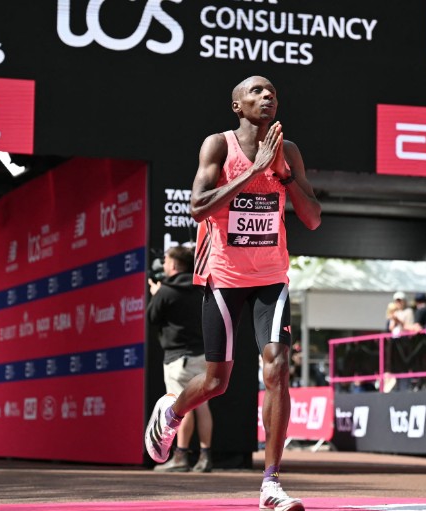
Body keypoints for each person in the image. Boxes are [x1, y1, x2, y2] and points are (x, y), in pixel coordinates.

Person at [144, 75, 321, 511]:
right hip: (223, 276)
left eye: (273, 92)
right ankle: (171, 412)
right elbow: (198, 205)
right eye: (257, 92)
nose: (267, 97)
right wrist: (255, 171)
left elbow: (313, 219)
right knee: (216, 382)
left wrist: (283, 176)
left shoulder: (289, 150)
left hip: (271, 275)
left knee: (277, 366)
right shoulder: (218, 146)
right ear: (237, 106)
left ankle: (271, 483)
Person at [147, 246, 214, 472]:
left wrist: (157, 295)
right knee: (203, 407)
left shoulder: (166, 290)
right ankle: (205, 457)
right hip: (203, 356)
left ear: (174, 265)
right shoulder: (202, 288)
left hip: (178, 359)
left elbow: (152, 317)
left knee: (180, 408)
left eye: (165, 261)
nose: (163, 265)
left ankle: (181, 456)